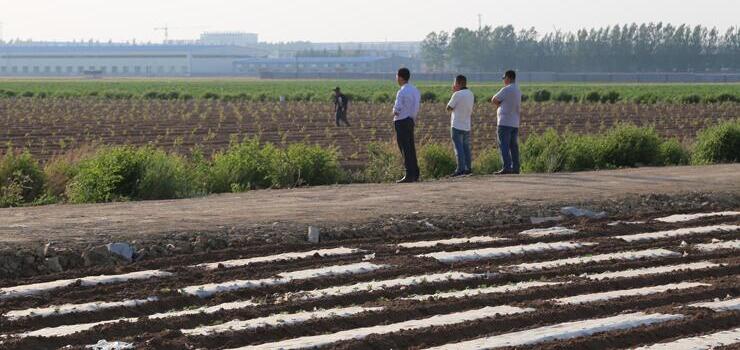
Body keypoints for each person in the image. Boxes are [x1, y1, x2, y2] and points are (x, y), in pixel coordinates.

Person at [393, 67, 421, 183]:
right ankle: (415, 173)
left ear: (400, 77)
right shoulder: (415, 90)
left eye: (396, 76)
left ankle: (409, 175)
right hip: (410, 120)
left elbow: (397, 109)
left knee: (404, 148)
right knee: (411, 148)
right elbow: (416, 107)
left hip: (401, 121)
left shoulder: (402, 91)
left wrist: (394, 111)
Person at [491, 70, 522, 175]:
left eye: (504, 78)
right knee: (513, 146)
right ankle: (515, 167)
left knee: (503, 145)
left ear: (508, 78)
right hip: (515, 121)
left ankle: (507, 167)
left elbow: (494, 99)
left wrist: (499, 104)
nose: (504, 80)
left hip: (504, 121)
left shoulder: (506, 89)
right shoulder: (518, 89)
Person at [446, 75, 475, 177]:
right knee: (466, 147)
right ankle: (468, 168)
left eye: (454, 83)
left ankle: (460, 169)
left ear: (458, 83)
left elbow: (448, 107)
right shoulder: (470, 93)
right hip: (466, 124)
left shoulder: (457, 94)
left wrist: (454, 93)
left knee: (458, 148)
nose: (453, 85)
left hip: (457, 124)